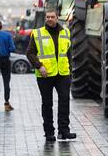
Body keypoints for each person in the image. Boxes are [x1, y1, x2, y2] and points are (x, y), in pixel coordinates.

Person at [25, 9, 73, 142]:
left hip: (63, 73)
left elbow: (68, 54)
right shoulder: (37, 33)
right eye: (47, 17)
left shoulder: (66, 32)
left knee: (64, 101)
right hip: (45, 75)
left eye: (52, 17)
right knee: (47, 104)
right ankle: (49, 132)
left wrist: (70, 72)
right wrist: (39, 66)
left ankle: (64, 131)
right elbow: (29, 53)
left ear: (57, 18)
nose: (50, 19)